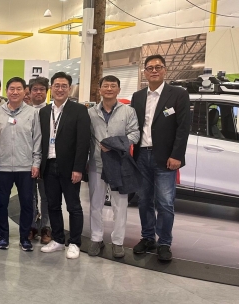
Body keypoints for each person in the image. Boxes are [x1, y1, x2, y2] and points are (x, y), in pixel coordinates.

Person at [130, 55, 191, 261]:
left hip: (165, 157)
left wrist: (177, 155)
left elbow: (183, 128)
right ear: (145, 72)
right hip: (141, 156)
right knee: (144, 200)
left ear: (165, 70)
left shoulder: (178, 95)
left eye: (158, 67)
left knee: (165, 202)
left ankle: (164, 242)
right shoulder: (137, 97)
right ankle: (147, 237)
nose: (154, 71)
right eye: (150, 68)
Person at [39, 72, 90, 259]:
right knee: (53, 205)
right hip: (49, 165)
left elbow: (83, 142)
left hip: (70, 168)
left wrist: (79, 168)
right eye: (56, 85)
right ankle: (58, 239)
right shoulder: (44, 112)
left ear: (69, 88)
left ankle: (75, 242)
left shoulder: (79, 111)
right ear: (51, 88)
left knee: (73, 206)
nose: (60, 89)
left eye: (64, 86)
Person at [87, 75, 140, 258]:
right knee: (96, 203)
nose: (109, 89)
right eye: (105, 86)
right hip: (97, 163)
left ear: (118, 90)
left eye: (113, 86)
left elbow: (135, 134)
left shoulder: (128, 111)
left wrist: (114, 143)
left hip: (119, 164)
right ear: (100, 89)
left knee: (120, 205)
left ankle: (118, 242)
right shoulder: (91, 112)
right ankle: (96, 238)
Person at [0, 77, 41, 252]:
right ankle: (3, 236)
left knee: (27, 203)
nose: (15, 92)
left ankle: (24, 237)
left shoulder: (32, 113)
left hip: (25, 167)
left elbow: (37, 140)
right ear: (7, 91)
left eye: (19, 89)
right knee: (1, 203)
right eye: (12, 89)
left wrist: (36, 163)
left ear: (24, 91)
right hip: (2, 167)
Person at [28, 77, 52, 244]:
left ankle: (46, 227)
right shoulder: (25, 112)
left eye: (41, 89)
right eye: (35, 89)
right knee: (30, 196)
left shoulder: (52, 111)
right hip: (27, 160)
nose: (38, 92)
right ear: (29, 92)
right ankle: (31, 226)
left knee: (46, 196)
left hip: (47, 160)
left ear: (46, 91)